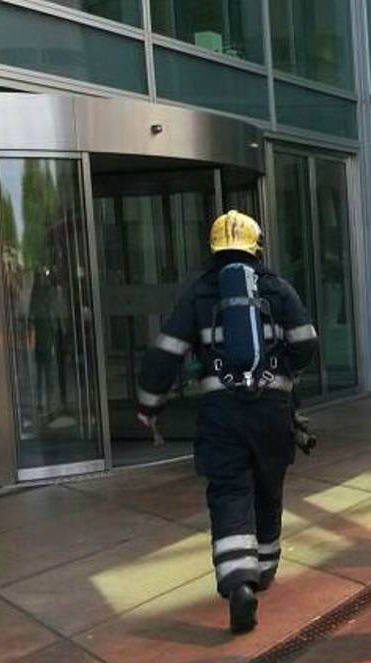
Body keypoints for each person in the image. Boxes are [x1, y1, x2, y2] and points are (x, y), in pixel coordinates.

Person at [136, 210, 318, 633]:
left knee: (230, 491)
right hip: (272, 410)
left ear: (213, 248)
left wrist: (149, 406)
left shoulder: (199, 292)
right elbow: (307, 342)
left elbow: (165, 352)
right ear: (258, 246)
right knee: (268, 485)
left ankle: (238, 581)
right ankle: (265, 568)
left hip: (221, 413)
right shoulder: (276, 286)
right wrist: (283, 374)